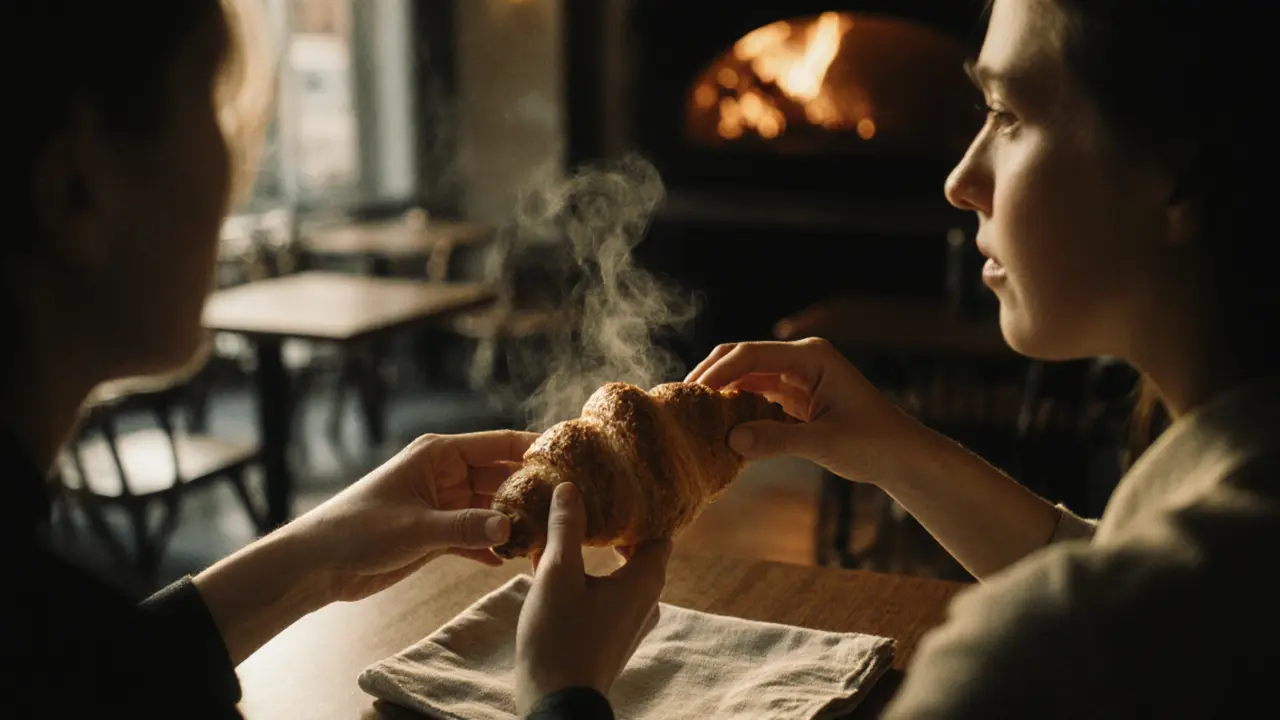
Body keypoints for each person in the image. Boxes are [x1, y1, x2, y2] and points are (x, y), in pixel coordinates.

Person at [4, 2, 666, 718]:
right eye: (215, 107)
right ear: (77, 189)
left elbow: (109, 673)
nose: (236, 172)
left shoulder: (46, 636)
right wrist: (562, 690)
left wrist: (316, 556)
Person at [687, 0, 1280, 716]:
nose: (960, 180)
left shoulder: (1041, 658)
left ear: (1175, 171)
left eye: (1007, 114)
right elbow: (1110, 564)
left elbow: (1095, 608)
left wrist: (563, 694)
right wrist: (896, 452)